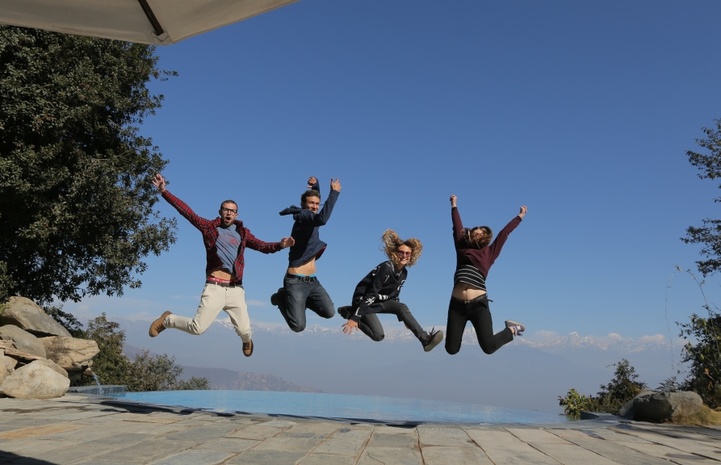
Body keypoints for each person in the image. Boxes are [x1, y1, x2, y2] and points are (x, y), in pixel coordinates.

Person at [148, 173, 294, 357]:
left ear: (236, 214)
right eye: (226, 210)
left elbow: (261, 246)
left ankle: (247, 340)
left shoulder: (243, 233)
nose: (229, 213)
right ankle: (167, 319)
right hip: (214, 287)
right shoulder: (208, 227)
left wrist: (281, 245)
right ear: (220, 211)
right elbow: (187, 212)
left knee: (245, 332)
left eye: (232, 211)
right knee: (197, 328)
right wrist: (164, 191)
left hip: (235, 289)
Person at [445, 194, 527, 355]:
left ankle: (512, 330)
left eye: (481, 233)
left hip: (479, 305)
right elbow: (457, 227)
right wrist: (454, 206)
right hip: (456, 305)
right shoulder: (462, 249)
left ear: (486, 237)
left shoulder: (489, 253)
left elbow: (504, 233)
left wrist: (520, 217)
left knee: (489, 348)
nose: (478, 234)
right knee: (451, 349)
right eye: (475, 232)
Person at [338, 230, 443, 351]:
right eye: (401, 252)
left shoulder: (404, 273)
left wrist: (404, 318)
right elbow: (371, 294)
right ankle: (349, 312)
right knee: (378, 335)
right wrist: (355, 318)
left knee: (401, 308)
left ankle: (425, 340)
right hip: (364, 300)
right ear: (394, 253)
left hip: (379, 302)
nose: (404, 256)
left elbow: (395, 295)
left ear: (411, 255)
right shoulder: (386, 268)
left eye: (407, 253)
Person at [270, 176, 341, 332]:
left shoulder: (311, 218)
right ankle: (282, 298)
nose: (315, 206)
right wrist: (334, 193)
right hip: (295, 281)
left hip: (313, 282)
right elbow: (322, 219)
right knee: (298, 326)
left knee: (329, 312)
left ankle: (298, 302)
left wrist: (316, 186)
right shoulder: (304, 217)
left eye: (317, 204)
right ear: (303, 204)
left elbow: (316, 213)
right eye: (311, 203)